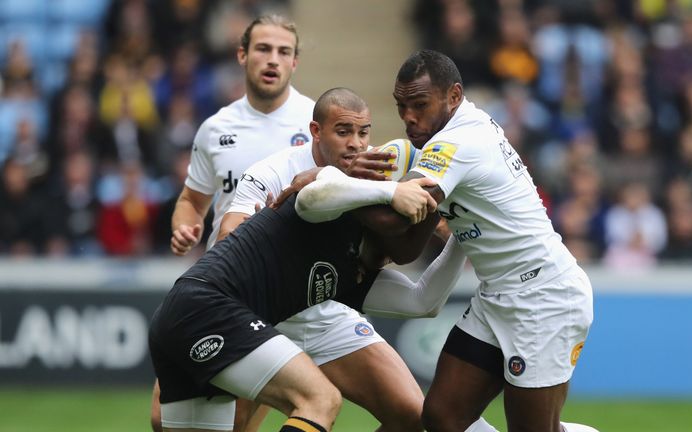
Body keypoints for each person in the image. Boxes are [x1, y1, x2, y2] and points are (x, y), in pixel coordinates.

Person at [341, 49, 598, 432]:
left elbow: (393, 224)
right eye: (401, 106)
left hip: (545, 297)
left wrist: (336, 182)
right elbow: (409, 244)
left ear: (454, 96)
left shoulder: (454, 144)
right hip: (498, 294)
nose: (409, 117)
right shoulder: (462, 128)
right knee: (442, 418)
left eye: (420, 104)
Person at [219, 87, 481, 431]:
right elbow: (226, 238)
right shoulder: (274, 170)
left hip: (325, 309)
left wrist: (461, 234)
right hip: (264, 314)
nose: (357, 144)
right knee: (210, 426)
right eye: (344, 132)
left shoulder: (382, 166)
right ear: (316, 132)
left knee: (413, 418)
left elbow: (421, 294)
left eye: (364, 132)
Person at [149, 165, 468, 431]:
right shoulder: (330, 213)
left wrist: (464, 236)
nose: (392, 259)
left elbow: (422, 302)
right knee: (320, 400)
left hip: (188, 312)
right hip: (210, 307)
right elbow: (316, 189)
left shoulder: (355, 272)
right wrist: (392, 191)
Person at [156, 14, 314, 432]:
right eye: (263, 49)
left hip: (282, 292)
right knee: (162, 418)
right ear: (242, 55)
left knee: (237, 422)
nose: (272, 60)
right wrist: (184, 225)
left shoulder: (317, 122)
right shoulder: (216, 128)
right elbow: (192, 198)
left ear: (295, 62)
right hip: (222, 284)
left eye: (283, 52)